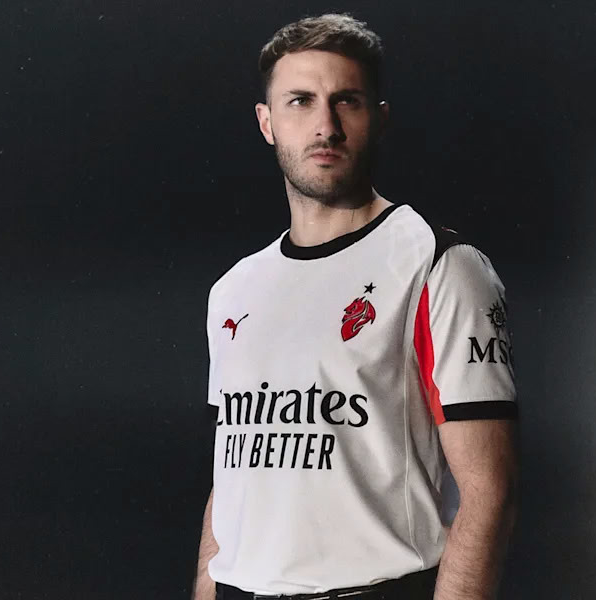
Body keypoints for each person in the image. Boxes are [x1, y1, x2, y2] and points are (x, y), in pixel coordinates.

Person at [191, 13, 520, 600]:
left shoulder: (438, 264)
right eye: (300, 101)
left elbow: (490, 490)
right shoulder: (234, 289)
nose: (325, 125)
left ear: (380, 117)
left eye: (347, 101)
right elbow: (235, 475)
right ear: (267, 123)